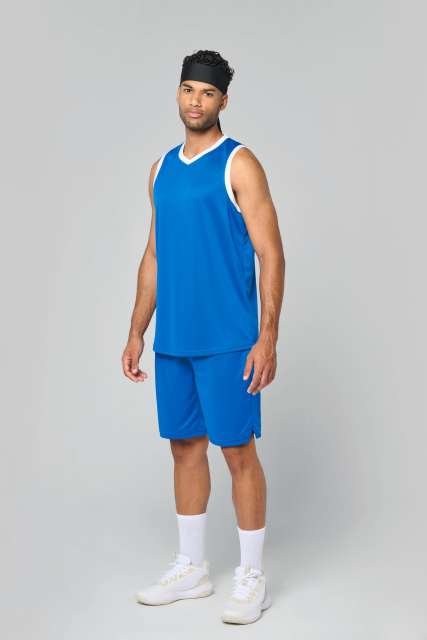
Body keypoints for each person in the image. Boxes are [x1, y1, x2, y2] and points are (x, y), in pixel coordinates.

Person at [121, 49, 286, 625]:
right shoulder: (160, 169)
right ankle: (191, 568)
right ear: (178, 93)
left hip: (229, 339)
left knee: (237, 451)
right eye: (189, 89)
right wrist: (137, 330)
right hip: (175, 339)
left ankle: (252, 576)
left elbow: (271, 253)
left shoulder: (239, 163)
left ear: (223, 101)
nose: (196, 101)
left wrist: (267, 337)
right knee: (184, 448)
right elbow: (154, 255)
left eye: (208, 93)